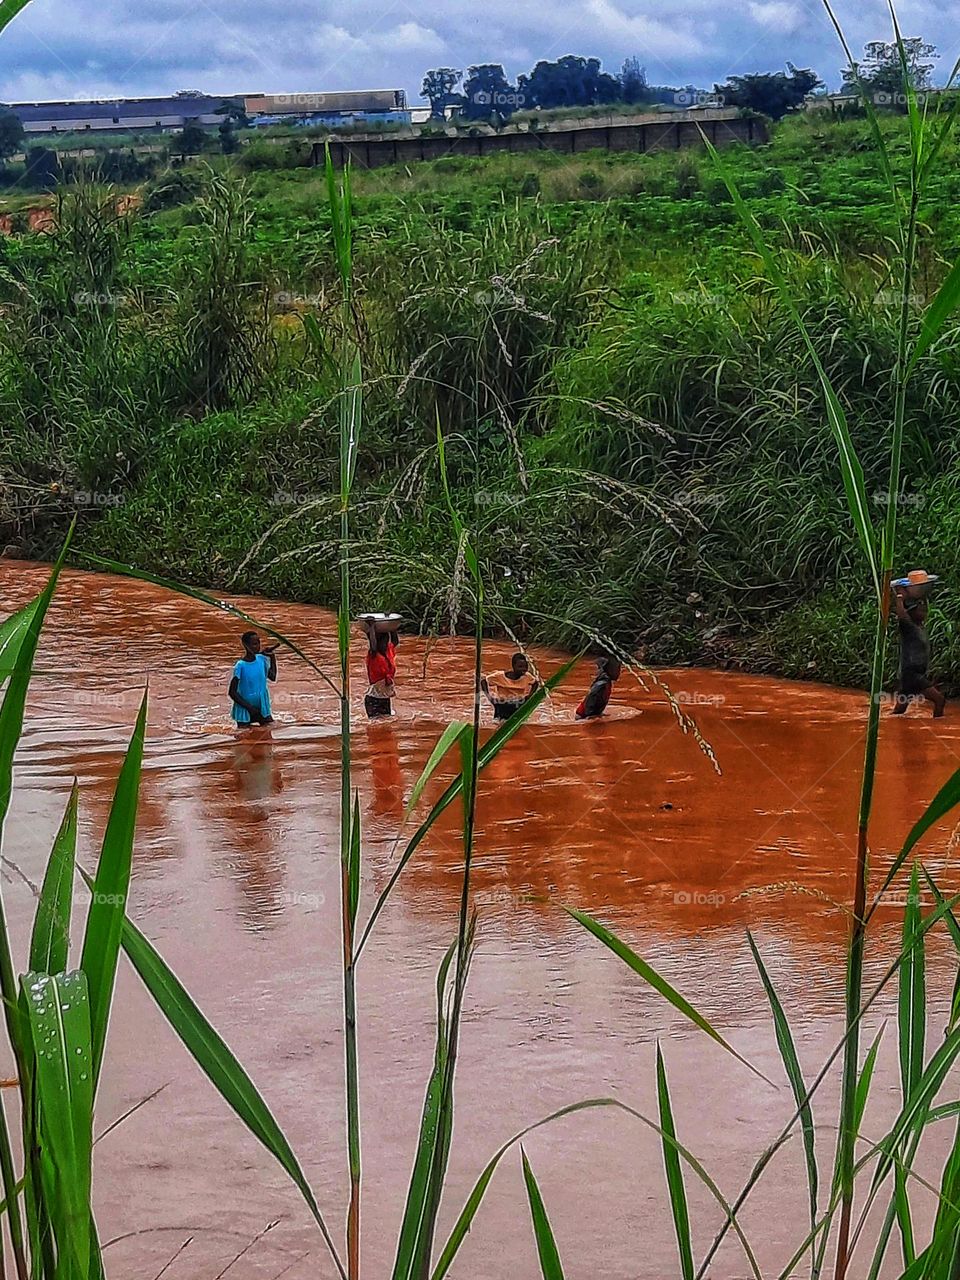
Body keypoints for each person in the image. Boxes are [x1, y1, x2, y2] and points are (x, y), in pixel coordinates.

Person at [892, 583, 945, 718]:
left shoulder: (919, 627)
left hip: (912, 674)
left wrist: (923, 591)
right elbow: (902, 615)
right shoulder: (908, 626)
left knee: (899, 711)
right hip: (912, 675)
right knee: (939, 700)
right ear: (912, 613)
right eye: (920, 610)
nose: (924, 612)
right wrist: (899, 597)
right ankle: (937, 728)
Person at [229, 631, 278, 727]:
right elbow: (232, 692)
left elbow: (272, 677)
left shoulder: (261, 660)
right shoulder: (240, 665)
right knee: (244, 737)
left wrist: (272, 658)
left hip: (262, 706)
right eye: (254, 644)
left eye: (259, 643)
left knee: (269, 732)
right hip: (245, 708)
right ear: (246, 645)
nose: (258, 646)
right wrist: (250, 708)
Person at [481, 652, 539, 721]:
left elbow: (535, 683)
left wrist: (529, 696)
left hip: (519, 704)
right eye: (520, 667)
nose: (523, 669)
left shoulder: (527, 676)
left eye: (525, 667)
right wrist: (490, 698)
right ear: (513, 666)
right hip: (502, 705)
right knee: (498, 725)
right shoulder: (499, 676)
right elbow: (484, 681)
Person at [364, 619, 398, 719]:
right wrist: (372, 627)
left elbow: (395, 641)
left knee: (387, 727)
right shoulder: (373, 656)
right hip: (374, 699)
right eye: (383, 642)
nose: (386, 644)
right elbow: (373, 646)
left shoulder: (388, 652)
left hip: (385, 699)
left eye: (386, 641)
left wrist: (392, 626)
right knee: (377, 727)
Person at [576, 655, 622, 720]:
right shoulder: (602, 684)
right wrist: (590, 715)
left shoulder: (606, 682)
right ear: (609, 669)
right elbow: (591, 696)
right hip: (583, 717)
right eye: (617, 669)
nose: (619, 672)